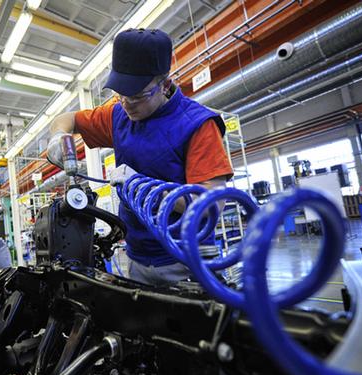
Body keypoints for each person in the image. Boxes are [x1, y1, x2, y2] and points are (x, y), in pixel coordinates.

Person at [47, 28, 232, 286]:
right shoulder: (118, 115)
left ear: (165, 85)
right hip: (137, 257)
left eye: (136, 96)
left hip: (184, 259)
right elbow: (66, 120)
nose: (126, 104)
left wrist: (141, 186)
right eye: (120, 95)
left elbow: (210, 205)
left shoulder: (197, 125)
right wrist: (59, 136)